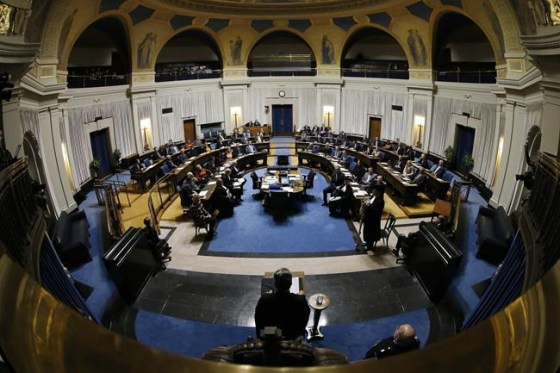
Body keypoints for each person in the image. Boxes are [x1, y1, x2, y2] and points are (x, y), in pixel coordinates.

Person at [254, 268, 310, 340]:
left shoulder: (264, 300)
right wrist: (301, 296)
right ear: (291, 284)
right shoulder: (300, 300)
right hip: (292, 336)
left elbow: (258, 320)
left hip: (270, 336)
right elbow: (305, 317)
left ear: (275, 284)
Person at [360, 185, 385, 252]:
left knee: (371, 233)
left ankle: (370, 246)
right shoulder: (373, 196)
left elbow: (376, 211)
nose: (373, 191)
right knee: (366, 231)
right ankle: (367, 243)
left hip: (373, 220)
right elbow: (370, 202)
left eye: (374, 190)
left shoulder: (381, 201)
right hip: (368, 218)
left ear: (378, 192)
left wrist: (369, 205)